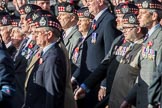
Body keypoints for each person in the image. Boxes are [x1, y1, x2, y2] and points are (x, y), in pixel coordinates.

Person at [73, 0, 122, 107]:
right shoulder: (97, 20)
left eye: (90, 1)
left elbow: (110, 56)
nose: (87, 3)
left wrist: (104, 85)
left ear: (100, 2)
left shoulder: (108, 21)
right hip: (88, 81)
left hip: (97, 84)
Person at [22, 15, 76, 108]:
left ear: (49, 35)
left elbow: (52, 93)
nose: (34, 36)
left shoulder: (53, 57)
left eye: (38, 33)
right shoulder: (46, 53)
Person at [120, 0, 162, 108]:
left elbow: (159, 75)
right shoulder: (149, 37)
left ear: (154, 16)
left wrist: (155, 102)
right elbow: (142, 71)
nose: (138, 17)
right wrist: (129, 98)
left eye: (143, 13)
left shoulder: (160, 38)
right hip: (142, 98)